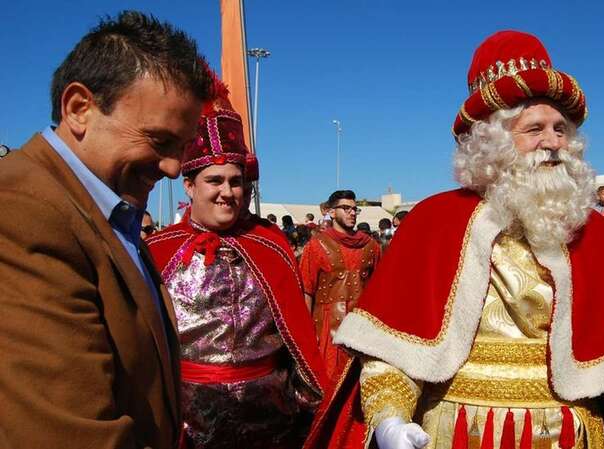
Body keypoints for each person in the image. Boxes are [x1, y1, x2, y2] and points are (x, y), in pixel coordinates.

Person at [304, 31, 604, 449]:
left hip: (569, 436)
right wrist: (390, 419)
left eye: (560, 128)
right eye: (534, 129)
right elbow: (392, 353)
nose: (553, 143)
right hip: (459, 432)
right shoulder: (432, 222)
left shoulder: (591, 232)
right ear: (494, 142)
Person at [0, 11, 212, 448]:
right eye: (159, 141)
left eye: (182, 147)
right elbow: (67, 434)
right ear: (80, 109)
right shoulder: (23, 212)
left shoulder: (106, 208)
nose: (174, 167)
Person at [146, 74, 326, 448]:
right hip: (185, 425)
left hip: (272, 425)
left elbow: (298, 342)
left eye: (236, 181)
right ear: (189, 185)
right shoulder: (158, 252)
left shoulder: (270, 244)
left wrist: (308, 403)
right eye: (214, 180)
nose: (227, 192)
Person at [299, 189, 381, 379]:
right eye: (346, 208)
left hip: (361, 326)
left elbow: (378, 289)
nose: (352, 212)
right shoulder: (316, 245)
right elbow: (307, 290)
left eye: (355, 209)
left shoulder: (371, 246)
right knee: (328, 383)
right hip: (327, 327)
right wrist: (306, 335)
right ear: (332, 212)